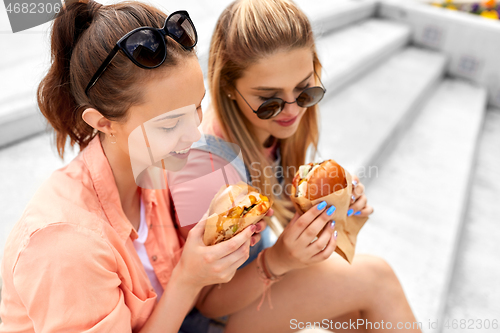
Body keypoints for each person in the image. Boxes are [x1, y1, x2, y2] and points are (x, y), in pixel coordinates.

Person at [0, 1, 268, 332]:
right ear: (103, 122)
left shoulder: (154, 168)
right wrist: (188, 277)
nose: (194, 134)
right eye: (170, 125)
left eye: (197, 108)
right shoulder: (64, 246)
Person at [169, 0, 423, 332]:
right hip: (211, 317)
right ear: (228, 88)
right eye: (269, 99)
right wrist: (278, 261)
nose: (291, 110)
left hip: (254, 289)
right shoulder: (207, 166)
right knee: (377, 279)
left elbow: (287, 217)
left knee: (369, 315)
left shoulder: (272, 127)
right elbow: (205, 301)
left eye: (305, 90)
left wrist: (336, 211)